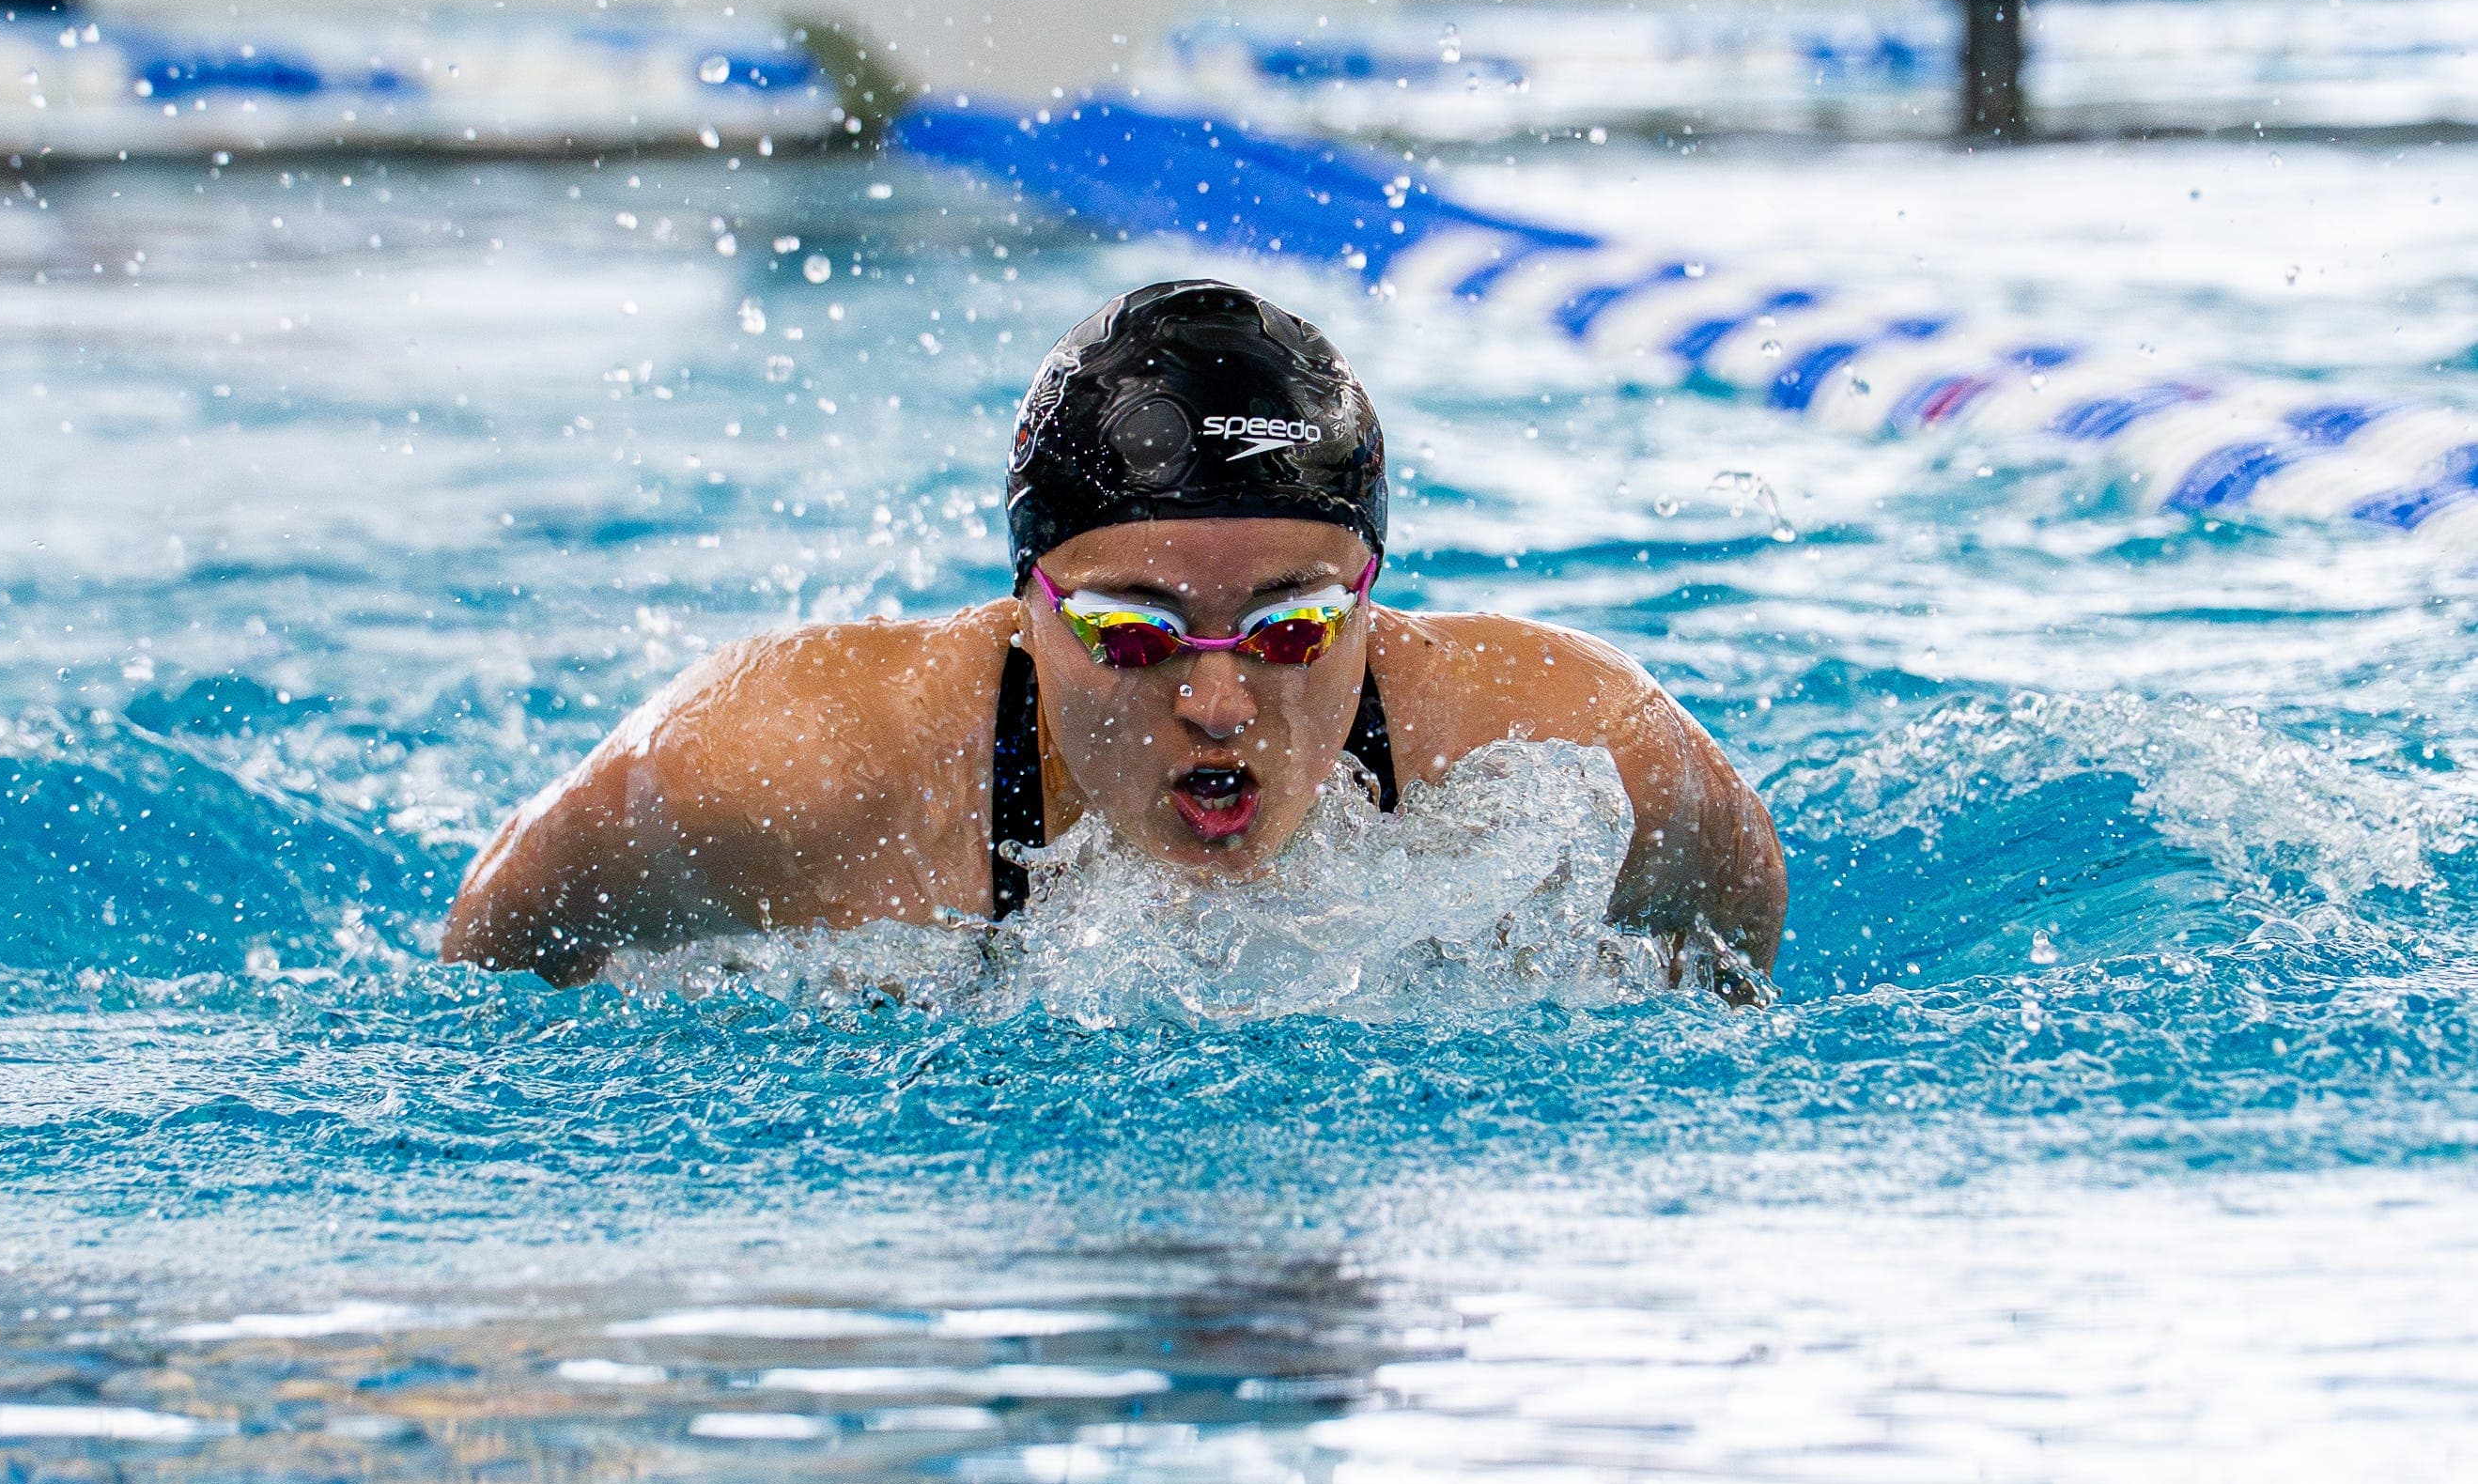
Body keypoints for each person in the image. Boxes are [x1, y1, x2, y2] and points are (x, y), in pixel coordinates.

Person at [442, 280, 1786, 993]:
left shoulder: (1568, 740)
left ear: (1371, 595)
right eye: (1136, 636)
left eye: (1293, 628)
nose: (1216, 700)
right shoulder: (788, 765)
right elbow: (492, 951)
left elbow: (1736, 927)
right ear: (1027, 614)